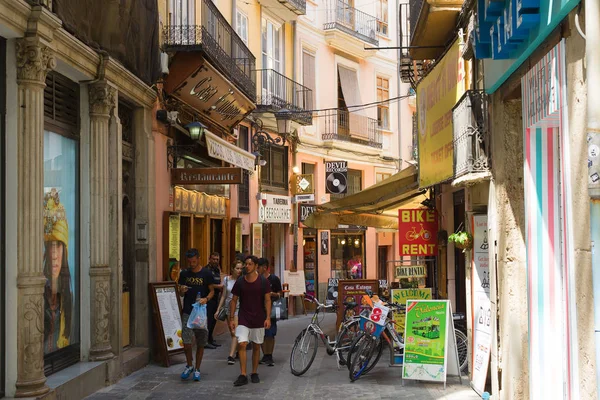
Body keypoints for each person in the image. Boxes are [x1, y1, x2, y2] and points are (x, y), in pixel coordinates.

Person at [229, 255, 272, 386]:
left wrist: (268, 317)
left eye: (249, 264)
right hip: (243, 317)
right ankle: (243, 374)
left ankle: (254, 372)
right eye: (245, 264)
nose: (246, 266)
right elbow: (234, 300)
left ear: (256, 266)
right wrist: (231, 318)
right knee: (242, 344)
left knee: (256, 346)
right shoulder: (240, 281)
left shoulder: (263, 282)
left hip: (258, 318)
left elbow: (268, 300)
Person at [178, 248, 215, 381]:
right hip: (188, 311)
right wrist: (182, 290)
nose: (192, 264)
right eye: (189, 262)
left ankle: (198, 368)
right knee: (187, 341)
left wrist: (206, 299)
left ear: (198, 258)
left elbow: (212, 291)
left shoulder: (206, 273)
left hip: (201, 313)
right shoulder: (184, 274)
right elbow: (181, 292)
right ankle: (189, 365)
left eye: (194, 261)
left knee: (201, 342)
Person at [43, 189, 72, 353]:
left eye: (58, 246)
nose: (54, 255)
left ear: (64, 252)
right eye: (50, 247)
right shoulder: (40, 295)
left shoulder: (70, 301)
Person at [215, 260, 243, 365]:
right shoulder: (226, 279)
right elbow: (223, 295)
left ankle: (231, 356)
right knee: (232, 332)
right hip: (227, 308)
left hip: (238, 307)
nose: (239, 270)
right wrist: (218, 309)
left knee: (234, 331)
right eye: (237, 268)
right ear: (232, 269)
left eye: (241, 268)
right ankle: (239, 351)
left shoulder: (242, 281)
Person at [257, 258, 282, 367]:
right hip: (259, 309)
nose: (257, 269)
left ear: (264, 267)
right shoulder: (256, 279)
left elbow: (280, 293)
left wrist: (273, 294)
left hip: (271, 309)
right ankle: (265, 355)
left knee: (270, 334)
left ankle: (269, 355)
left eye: (258, 267)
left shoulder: (274, 279)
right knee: (261, 333)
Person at [204, 252, 223, 349]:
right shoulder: (206, 270)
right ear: (209, 259)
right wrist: (219, 286)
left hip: (216, 297)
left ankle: (210, 338)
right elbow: (207, 284)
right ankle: (205, 340)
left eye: (217, 259)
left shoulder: (217, 270)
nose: (215, 261)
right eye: (214, 259)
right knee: (208, 319)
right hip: (209, 297)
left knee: (213, 319)